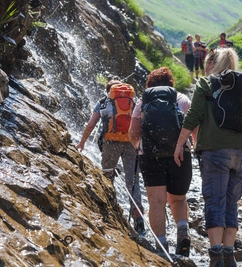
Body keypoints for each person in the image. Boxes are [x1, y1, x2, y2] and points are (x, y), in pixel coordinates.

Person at [173, 48, 242, 267]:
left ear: (214, 63)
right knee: (231, 203)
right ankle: (229, 255)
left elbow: (194, 115)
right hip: (241, 153)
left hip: (215, 152)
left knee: (214, 202)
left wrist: (179, 143)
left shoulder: (205, 84)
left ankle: (216, 257)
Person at [129, 67, 194, 256]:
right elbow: (192, 128)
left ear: (150, 85)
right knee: (179, 198)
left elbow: (133, 134)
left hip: (151, 156)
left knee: (156, 201)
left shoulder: (143, 102)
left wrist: (139, 148)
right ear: (171, 83)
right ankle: (183, 233)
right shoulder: (182, 100)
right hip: (180, 154)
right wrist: (192, 146)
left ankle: (162, 247)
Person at [76, 80, 145, 234]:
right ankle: (138, 217)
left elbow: (91, 124)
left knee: (107, 176)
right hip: (131, 143)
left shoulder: (104, 101)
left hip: (111, 143)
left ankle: (108, 211)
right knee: (133, 181)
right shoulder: (133, 101)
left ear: (108, 90)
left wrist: (82, 143)